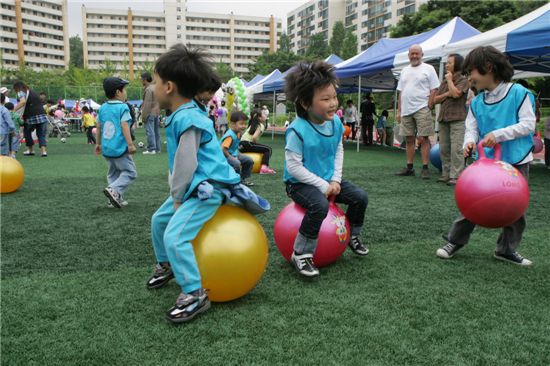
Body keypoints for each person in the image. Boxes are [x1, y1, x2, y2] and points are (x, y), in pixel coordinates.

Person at [146, 45, 242, 323]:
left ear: (169, 87)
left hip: (209, 187)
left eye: (155, 81)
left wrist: (178, 197)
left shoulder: (187, 116)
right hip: (195, 184)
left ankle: (194, 294)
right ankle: (167, 265)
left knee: (175, 237)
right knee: (158, 221)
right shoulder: (185, 112)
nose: (153, 86)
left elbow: (186, 163)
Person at [436, 46, 536, 266]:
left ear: (488, 68)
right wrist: (469, 142)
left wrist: (498, 135)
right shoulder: (477, 102)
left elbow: (528, 125)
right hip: (486, 165)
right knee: (473, 202)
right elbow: (471, 128)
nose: (469, 77)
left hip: (515, 161)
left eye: (472, 71)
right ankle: (455, 240)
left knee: (515, 210)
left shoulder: (519, 94)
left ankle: (506, 249)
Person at [283, 61, 369, 277]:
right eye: (325, 99)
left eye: (334, 97)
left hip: (329, 179)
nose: (333, 103)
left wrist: (336, 180)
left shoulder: (336, 124)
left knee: (360, 197)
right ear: (305, 103)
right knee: (319, 205)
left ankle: (353, 236)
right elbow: (293, 167)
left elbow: (338, 149)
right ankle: (301, 254)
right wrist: (322, 185)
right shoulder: (297, 130)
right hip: (299, 184)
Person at [395, 45, 440, 179]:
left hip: (422, 108)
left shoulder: (429, 68)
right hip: (406, 110)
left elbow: (434, 88)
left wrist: (430, 104)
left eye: (417, 54)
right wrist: (399, 111)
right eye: (412, 54)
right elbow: (401, 92)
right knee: (409, 139)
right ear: (408, 55)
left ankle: (425, 168)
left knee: (424, 138)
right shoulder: (404, 70)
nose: (414, 56)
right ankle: (409, 167)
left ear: (422, 54)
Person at [95, 77, 137, 208]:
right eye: (124, 90)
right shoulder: (123, 107)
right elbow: (125, 125)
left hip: (107, 148)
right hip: (120, 148)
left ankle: (113, 198)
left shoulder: (103, 107)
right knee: (130, 172)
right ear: (118, 92)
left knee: (113, 173)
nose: (125, 93)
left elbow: (99, 125)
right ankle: (114, 190)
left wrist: (98, 144)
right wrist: (130, 144)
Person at [433, 53, 469, 186]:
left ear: (457, 64)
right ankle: (446, 174)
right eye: (447, 62)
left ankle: (456, 175)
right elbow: (435, 99)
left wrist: (449, 82)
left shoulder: (463, 80)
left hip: (458, 119)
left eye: (449, 63)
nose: (447, 65)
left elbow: (456, 94)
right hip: (443, 118)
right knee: (444, 148)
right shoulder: (443, 81)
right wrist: (448, 93)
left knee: (456, 149)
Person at [12, 82, 50, 157]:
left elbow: (22, 102)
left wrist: (13, 110)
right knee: (41, 134)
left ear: (17, 88)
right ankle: (43, 151)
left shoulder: (20, 92)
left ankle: (31, 150)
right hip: (42, 115)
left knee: (27, 133)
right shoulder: (32, 92)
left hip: (30, 116)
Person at [221, 111, 254, 186]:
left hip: (233, 153)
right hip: (224, 156)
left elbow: (234, 145)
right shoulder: (229, 136)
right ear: (232, 124)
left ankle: (243, 179)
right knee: (236, 163)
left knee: (249, 160)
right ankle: (235, 181)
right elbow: (223, 149)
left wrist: (238, 148)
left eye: (245, 124)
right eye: (241, 124)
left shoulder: (238, 133)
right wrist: (231, 157)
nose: (244, 126)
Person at [240, 108, 276, 174]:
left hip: (242, 145)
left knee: (265, 148)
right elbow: (254, 137)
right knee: (268, 149)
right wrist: (256, 143)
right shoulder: (260, 125)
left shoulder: (252, 124)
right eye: (264, 114)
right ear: (259, 117)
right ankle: (264, 169)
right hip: (248, 144)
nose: (265, 115)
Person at [141, 71, 161, 155]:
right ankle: (157, 148)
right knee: (156, 131)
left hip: (150, 112)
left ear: (145, 79)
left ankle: (151, 148)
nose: (141, 81)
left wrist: (144, 116)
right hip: (156, 112)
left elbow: (147, 104)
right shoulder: (155, 87)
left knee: (150, 131)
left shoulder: (149, 89)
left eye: (141, 79)